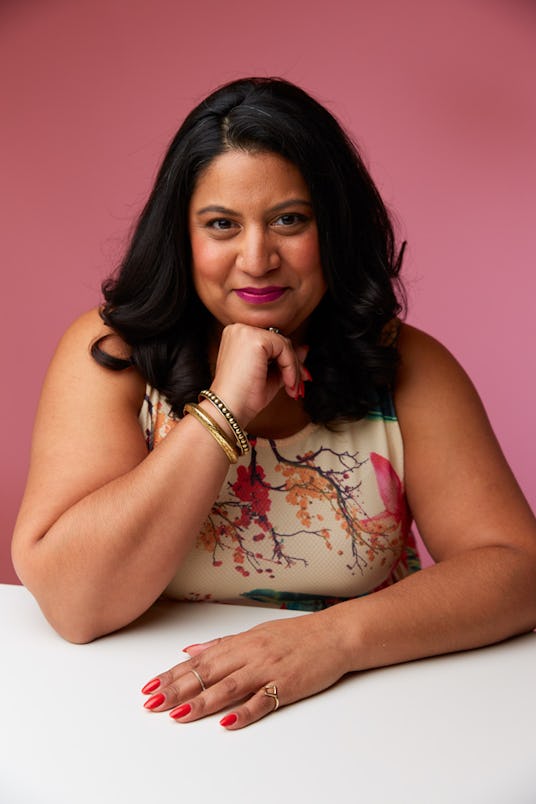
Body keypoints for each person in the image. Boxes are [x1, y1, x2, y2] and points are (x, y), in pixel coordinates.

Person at [12, 77, 536, 730]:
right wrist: (223, 408)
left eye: (289, 219)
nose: (257, 259)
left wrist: (329, 641)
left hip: (365, 720)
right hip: (138, 729)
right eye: (222, 225)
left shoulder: (408, 367)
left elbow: (517, 569)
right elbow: (73, 604)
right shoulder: (113, 356)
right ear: (182, 236)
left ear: (334, 226)